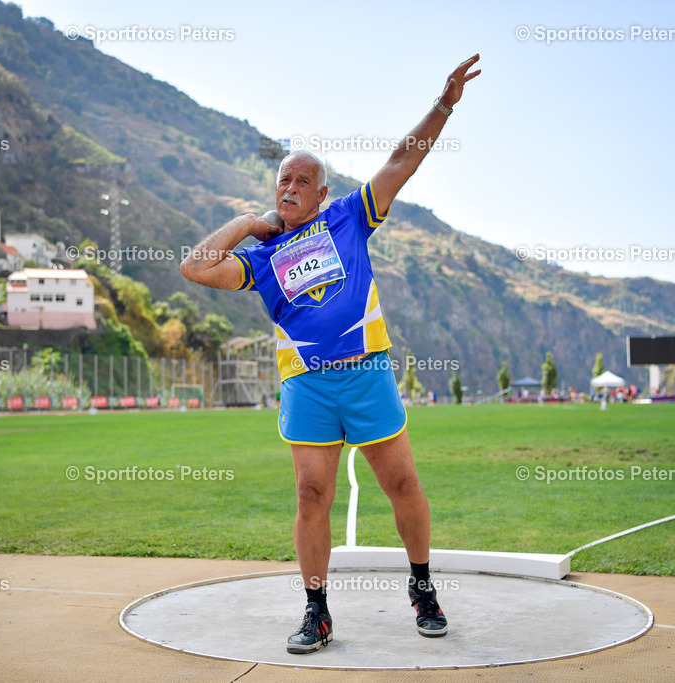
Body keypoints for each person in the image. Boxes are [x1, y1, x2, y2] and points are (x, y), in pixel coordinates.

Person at [181, 54, 481, 654]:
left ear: (321, 193)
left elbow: (401, 161)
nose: (290, 188)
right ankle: (316, 611)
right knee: (311, 496)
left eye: (301, 182)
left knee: (401, 483)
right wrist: (247, 222)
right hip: (307, 386)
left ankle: (422, 588)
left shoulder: (349, 217)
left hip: (366, 374)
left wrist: (443, 106)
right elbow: (195, 267)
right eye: (282, 182)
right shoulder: (261, 258)